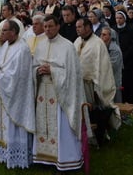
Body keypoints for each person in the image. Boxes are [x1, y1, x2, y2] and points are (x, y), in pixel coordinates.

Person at [32, 15, 86, 171]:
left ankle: (65, 159)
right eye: (46, 26)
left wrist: (52, 71)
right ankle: (44, 158)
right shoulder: (40, 45)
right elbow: (33, 66)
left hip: (60, 94)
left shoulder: (67, 46)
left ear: (57, 27)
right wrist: (37, 70)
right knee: (43, 125)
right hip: (43, 91)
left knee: (61, 128)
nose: (47, 29)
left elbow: (73, 75)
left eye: (50, 26)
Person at [0, 19, 35, 169]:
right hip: (5, 93)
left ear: (14, 32)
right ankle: (6, 154)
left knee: (15, 125)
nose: (2, 33)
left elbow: (18, 75)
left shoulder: (22, 49)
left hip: (17, 96)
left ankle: (19, 158)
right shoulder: (5, 46)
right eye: (2, 30)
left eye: (4, 30)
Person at [74, 18, 120, 145]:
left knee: (93, 112)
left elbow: (103, 66)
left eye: (80, 26)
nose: (77, 29)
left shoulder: (98, 43)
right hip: (78, 83)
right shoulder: (77, 41)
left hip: (91, 84)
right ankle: (83, 135)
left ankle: (97, 137)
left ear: (88, 27)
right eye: (76, 27)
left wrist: (98, 85)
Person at [100, 27, 124, 103]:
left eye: (104, 35)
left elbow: (111, 67)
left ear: (111, 36)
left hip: (114, 81)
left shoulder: (115, 50)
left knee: (116, 103)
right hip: (105, 80)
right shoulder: (103, 47)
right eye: (101, 34)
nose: (101, 36)